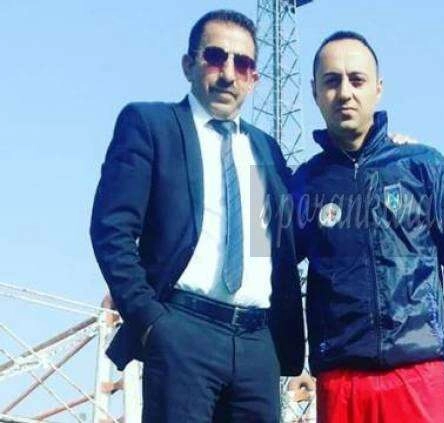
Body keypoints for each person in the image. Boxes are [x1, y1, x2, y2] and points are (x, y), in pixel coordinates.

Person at [90, 9, 303, 422]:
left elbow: (291, 235)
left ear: (254, 79)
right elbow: (112, 229)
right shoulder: (151, 125)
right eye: (215, 57)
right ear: (189, 64)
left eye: (242, 64)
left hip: (258, 345)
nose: (228, 74)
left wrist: (388, 157)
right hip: (182, 330)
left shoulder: (267, 151)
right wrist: (151, 321)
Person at [291, 31, 444, 422]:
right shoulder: (303, 183)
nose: (345, 93)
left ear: (378, 88)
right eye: (332, 81)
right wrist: (288, 357)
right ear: (315, 91)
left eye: (357, 80)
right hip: (340, 377)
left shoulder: (423, 165)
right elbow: (273, 272)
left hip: (418, 368)